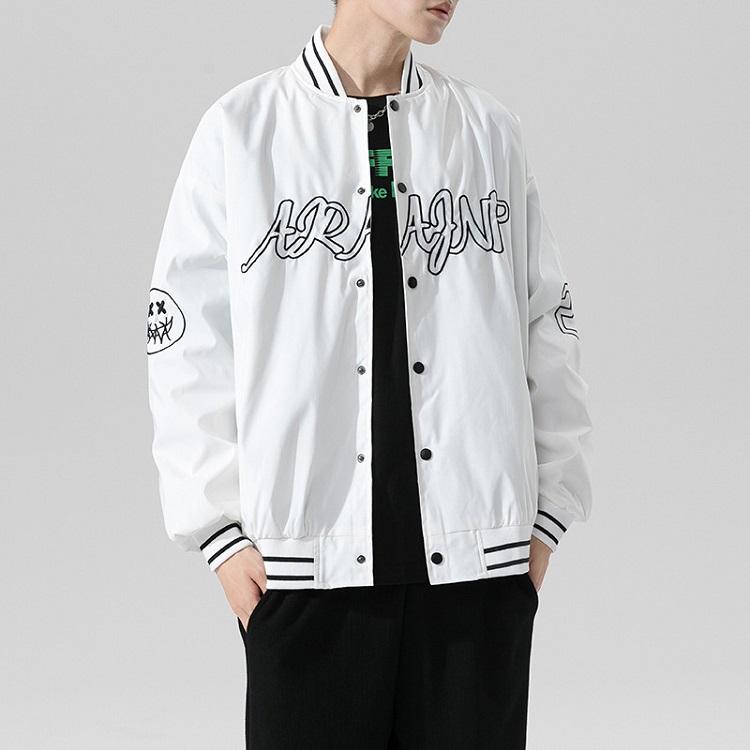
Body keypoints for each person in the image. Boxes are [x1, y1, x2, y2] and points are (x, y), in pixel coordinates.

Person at [146, 1, 593, 747]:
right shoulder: (243, 130)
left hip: (477, 573)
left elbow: (548, 322)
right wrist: (219, 535)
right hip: (306, 569)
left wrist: (545, 523)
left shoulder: (487, 131)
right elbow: (184, 342)